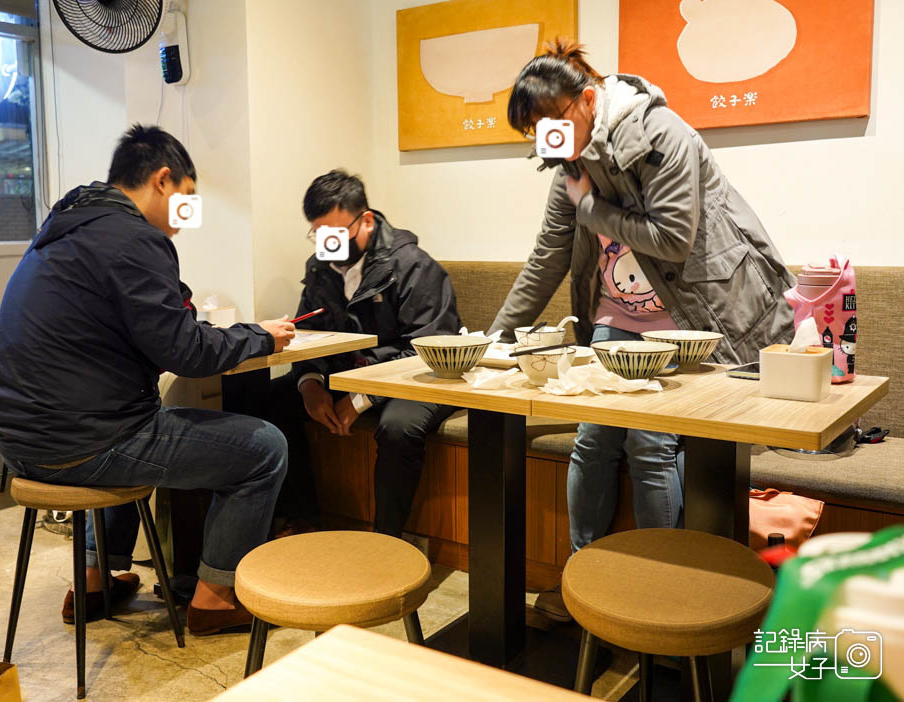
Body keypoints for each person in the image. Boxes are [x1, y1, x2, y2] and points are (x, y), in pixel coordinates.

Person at [489, 40, 795, 621]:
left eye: (551, 123)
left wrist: (590, 209)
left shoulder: (664, 135)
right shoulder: (570, 171)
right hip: (615, 321)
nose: (546, 140)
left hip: (690, 321)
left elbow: (672, 237)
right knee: (593, 438)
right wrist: (494, 341)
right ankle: (586, 580)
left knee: (651, 442)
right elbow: (546, 259)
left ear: (586, 99)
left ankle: (662, 595)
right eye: (534, 132)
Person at [0, 125, 294, 635]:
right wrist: (260, 336)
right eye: (187, 201)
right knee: (264, 447)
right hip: (82, 442)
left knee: (141, 421)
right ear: (162, 180)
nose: (186, 217)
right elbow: (188, 351)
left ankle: (91, 581)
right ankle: (215, 598)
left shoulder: (66, 227)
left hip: (21, 443)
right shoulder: (135, 239)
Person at [271, 169, 460, 537]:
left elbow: (427, 350)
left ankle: (386, 540)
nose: (327, 245)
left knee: (398, 426)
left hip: (418, 378)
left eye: (336, 234)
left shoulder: (412, 265)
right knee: (265, 400)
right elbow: (309, 334)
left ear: (366, 222)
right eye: (319, 234)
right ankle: (304, 518)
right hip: (347, 375)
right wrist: (309, 382)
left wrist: (361, 398)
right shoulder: (319, 268)